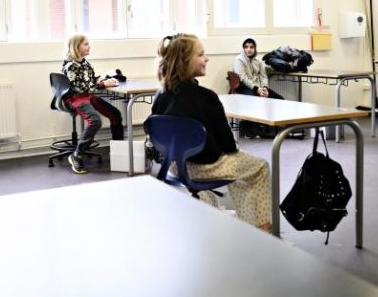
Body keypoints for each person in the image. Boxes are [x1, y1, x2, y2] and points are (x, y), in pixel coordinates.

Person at [150, 34, 271, 231]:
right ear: (184, 61)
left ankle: (210, 217)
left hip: (176, 165)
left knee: (231, 166)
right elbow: (228, 146)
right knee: (258, 167)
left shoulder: (160, 94)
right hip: (204, 167)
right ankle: (260, 229)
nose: (206, 58)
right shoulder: (207, 97)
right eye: (201, 54)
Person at [61, 34, 123, 174]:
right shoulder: (71, 66)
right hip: (75, 98)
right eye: (86, 44)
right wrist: (103, 84)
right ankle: (77, 155)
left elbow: (89, 81)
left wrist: (102, 80)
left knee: (115, 114)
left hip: (87, 96)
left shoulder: (86, 64)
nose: (89, 46)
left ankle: (119, 151)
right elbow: (80, 88)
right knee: (95, 121)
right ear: (76, 47)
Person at [232, 37, 284, 138]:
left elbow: (263, 76)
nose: (249, 49)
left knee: (280, 99)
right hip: (244, 88)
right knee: (254, 99)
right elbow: (243, 78)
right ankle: (249, 130)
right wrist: (257, 89)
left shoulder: (258, 61)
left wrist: (265, 88)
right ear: (243, 48)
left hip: (259, 88)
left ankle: (276, 130)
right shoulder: (239, 60)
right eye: (246, 47)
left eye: (251, 47)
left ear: (255, 48)